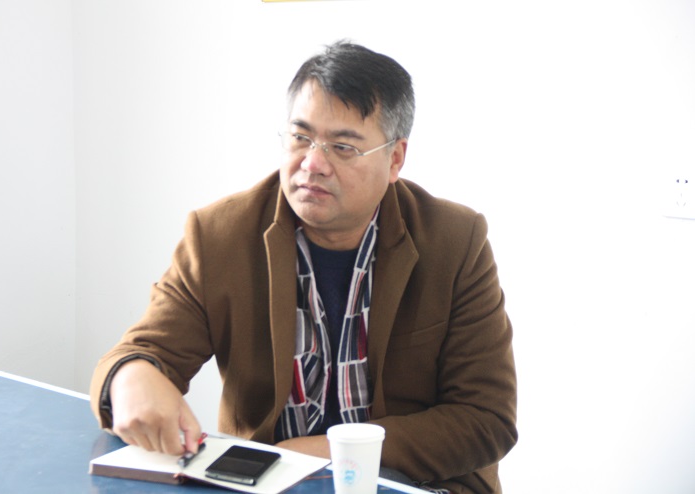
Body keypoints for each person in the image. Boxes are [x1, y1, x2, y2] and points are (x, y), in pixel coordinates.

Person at [90, 40, 517, 494]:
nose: (313, 164)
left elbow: (486, 418)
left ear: (395, 159)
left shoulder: (455, 241)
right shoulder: (219, 236)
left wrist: (327, 452)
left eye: (343, 147)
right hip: (269, 484)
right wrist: (130, 377)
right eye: (300, 137)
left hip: (417, 484)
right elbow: (140, 351)